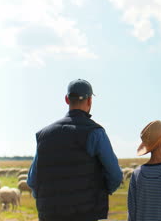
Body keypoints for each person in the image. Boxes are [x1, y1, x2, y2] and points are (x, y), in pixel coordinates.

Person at [27, 79, 123, 221]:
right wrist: (100, 193)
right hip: (86, 214)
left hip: (50, 215)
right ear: (90, 100)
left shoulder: (44, 135)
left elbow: (32, 180)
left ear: (66, 99)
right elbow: (115, 176)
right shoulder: (95, 133)